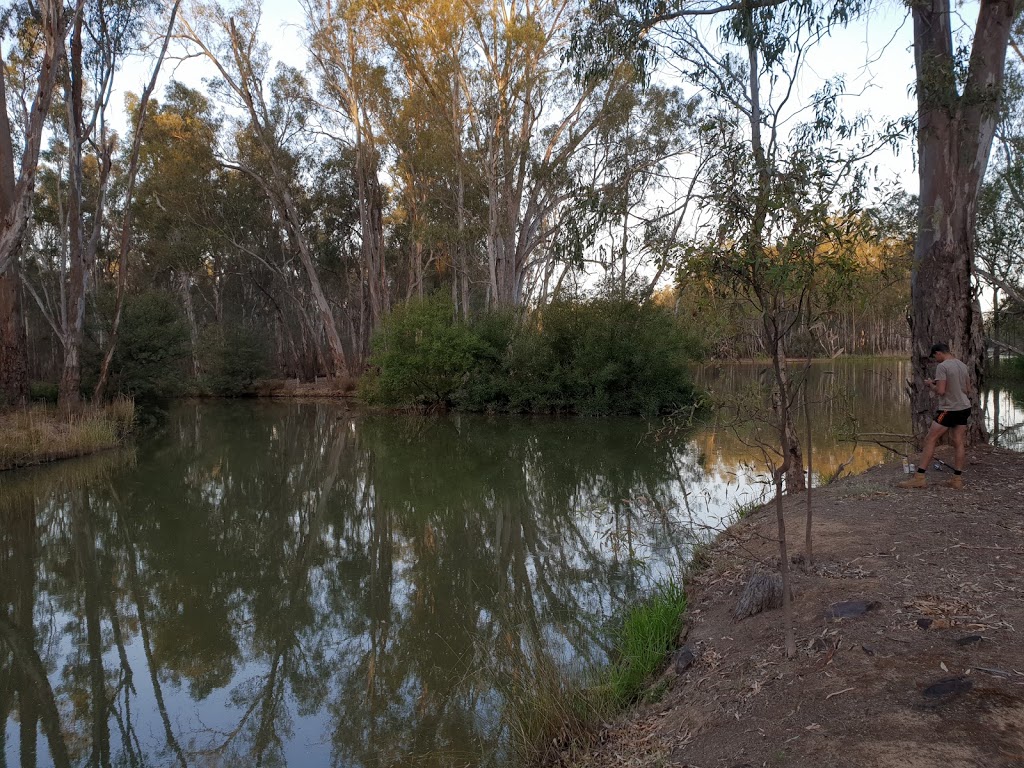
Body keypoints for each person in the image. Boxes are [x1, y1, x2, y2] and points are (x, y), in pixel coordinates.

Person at [899, 343, 972, 490]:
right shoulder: (962, 365)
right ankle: (957, 479)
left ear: (939, 353)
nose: (935, 359)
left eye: (935, 356)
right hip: (964, 407)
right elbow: (968, 389)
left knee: (930, 439)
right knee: (958, 442)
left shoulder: (942, 367)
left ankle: (919, 477)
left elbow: (941, 391)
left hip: (949, 409)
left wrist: (930, 385)